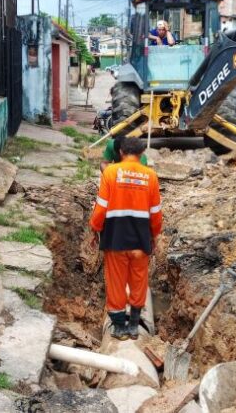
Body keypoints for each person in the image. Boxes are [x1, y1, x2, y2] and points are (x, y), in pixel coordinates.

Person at [89, 137, 163, 340]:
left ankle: (119, 327)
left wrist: (94, 229)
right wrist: (155, 235)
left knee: (116, 281)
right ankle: (133, 326)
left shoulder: (111, 173)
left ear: (120, 152)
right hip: (141, 239)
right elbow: (156, 213)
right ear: (141, 155)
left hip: (115, 237)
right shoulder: (151, 176)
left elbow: (101, 206)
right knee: (139, 280)